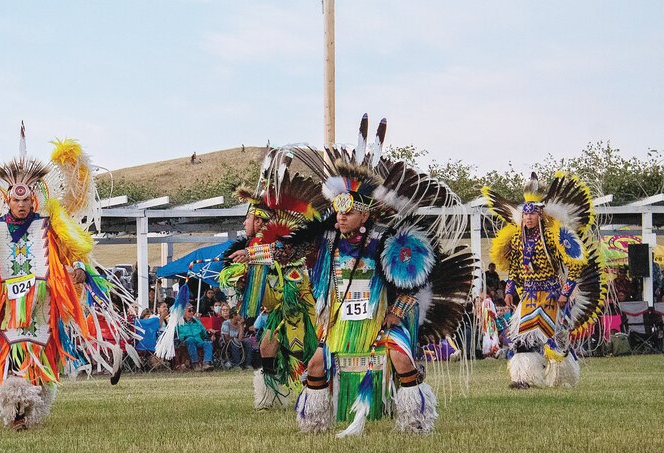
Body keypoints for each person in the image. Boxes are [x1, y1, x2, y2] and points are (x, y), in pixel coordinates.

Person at [290, 118, 475, 435]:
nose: (341, 216)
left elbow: (412, 286)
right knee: (317, 363)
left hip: (380, 323)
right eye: (338, 211)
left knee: (401, 359)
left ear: (364, 214)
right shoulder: (327, 246)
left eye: (348, 211)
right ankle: (315, 422)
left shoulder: (387, 245)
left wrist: (395, 313)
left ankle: (415, 420)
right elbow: (286, 252)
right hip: (341, 327)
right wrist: (252, 253)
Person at [0, 131, 134, 429]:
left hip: (43, 301)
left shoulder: (49, 224)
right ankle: (15, 408)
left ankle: (30, 408)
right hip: (7, 304)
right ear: (7, 200)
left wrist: (80, 271)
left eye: (26, 200)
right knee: (11, 352)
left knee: (39, 352)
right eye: (15, 200)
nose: (21, 205)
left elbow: (74, 249)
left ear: (33, 200)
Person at [215, 147, 328, 411]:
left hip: (303, 309)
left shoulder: (282, 242)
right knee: (267, 347)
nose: (245, 224)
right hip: (280, 310)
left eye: (249, 218)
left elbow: (288, 263)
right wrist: (243, 282)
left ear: (261, 220)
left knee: (310, 352)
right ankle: (271, 398)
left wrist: (253, 255)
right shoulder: (256, 247)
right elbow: (266, 295)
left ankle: (322, 391)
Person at [483, 171, 604, 389]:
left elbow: (575, 265)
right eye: (526, 214)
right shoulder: (518, 240)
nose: (528, 217)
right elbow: (515, 269)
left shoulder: (553, 236)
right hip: (528, 295)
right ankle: (523, 378)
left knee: (555, 338)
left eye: (532, 214)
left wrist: (566, 293)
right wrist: (510, 290)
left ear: (540, 215)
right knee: (522, 337)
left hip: (551, 294)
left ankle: (560, 378)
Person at [177, 305, 212, 370]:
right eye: (189, 310)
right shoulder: (179, 322)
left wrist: (208, 333)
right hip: (185, 342)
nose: (191, 312)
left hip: (198, 341)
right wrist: (183, 338)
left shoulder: (196, 321)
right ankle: (195, 363)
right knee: (190, 339)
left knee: (208, 343)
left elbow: (203, 333)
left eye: (192, 310)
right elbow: (177, 335)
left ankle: (206, 363)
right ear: (183, 311)